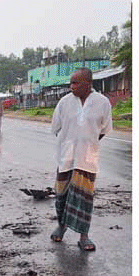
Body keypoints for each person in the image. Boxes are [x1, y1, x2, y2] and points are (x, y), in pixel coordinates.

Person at [49, 67, 112, 251]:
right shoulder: (64, 102)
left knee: (84, 199)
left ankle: (84, 236)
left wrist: (87, 143)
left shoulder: (102, 102)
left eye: (75, 83)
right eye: (71, 82)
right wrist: (70, 142)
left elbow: (105, 129)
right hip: (66, 158)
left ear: (87, 84)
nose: (71, 86)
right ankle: (61, 227)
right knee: (62, 195)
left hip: (87, 159)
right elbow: (56, 128)